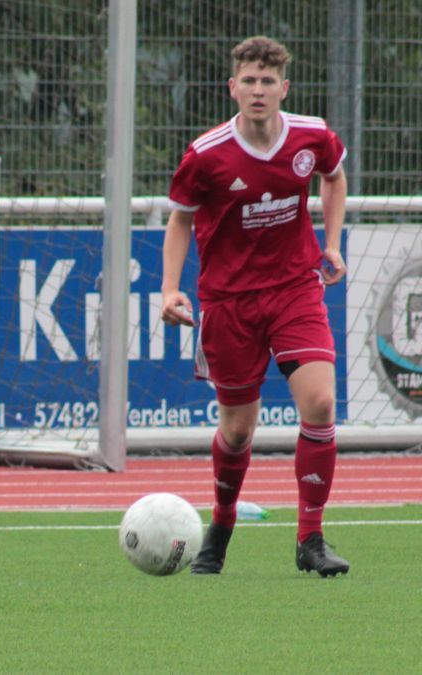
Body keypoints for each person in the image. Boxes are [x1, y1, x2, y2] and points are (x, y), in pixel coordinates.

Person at [161, 36, 350, 577]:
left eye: (269, 81)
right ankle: (220, 527)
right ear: (233, 88)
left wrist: (332, 242)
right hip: (229, 302)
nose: (259, 90)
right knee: (239, 430)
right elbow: (180, 218)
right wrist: (170, 288)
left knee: (319, 404)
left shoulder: (312, 136)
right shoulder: (206, 154)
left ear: (284, 88)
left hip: (295, 288)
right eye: (249, 80)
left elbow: (333, 177)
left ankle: (311, 538)